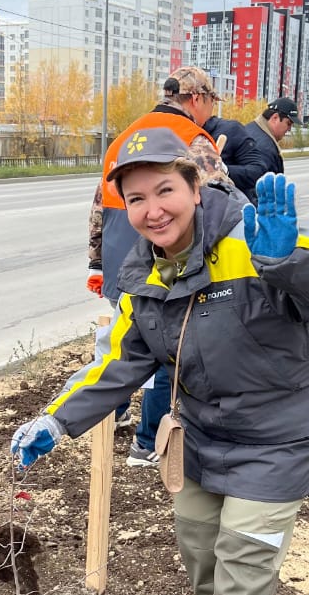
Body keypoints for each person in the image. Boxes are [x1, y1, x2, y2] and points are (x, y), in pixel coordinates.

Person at [15, 131, 309, 595]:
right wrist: (56, 421)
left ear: (196, 189)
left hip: (281, 434)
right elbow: (119, 363)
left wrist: (286, 261)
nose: (153, 209)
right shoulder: (146, 278)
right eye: (137, 197)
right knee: (198, 541)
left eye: (166, 190)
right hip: (205, 432)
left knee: (243, 556)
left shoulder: (252, 239)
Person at [87, 66, 229, 467]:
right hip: (167, 264)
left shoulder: (122, 140)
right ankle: (147, 441)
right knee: (169, 351)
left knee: (123, 346)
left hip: (120, 259)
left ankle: (112, 415)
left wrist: (96, 261)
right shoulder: (193, 141)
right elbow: (220, 205)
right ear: (197, 99)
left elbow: (98, 204)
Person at [203, 98, 296, 204]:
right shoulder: (265, 147)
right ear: (275, 118)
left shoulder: (251, 128)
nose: (289, 129)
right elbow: (258, 189)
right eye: (288, 123)